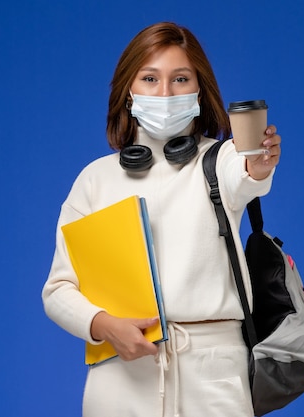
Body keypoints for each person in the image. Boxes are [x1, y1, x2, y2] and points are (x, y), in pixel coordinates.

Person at [42, 22, 281, 417]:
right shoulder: (95, 180)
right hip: (120, 377)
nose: (165, 93)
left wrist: (258, 162)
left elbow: (248, 174)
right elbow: (58, 290)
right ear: (128, 90)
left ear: (199, 90)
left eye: (180, 78)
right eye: (150, 78)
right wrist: (102, 324)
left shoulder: (219, 161)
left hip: (213, 373)